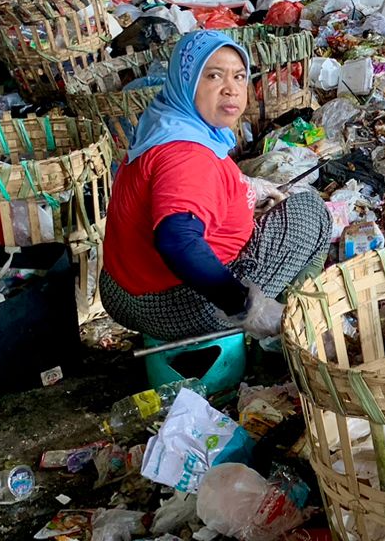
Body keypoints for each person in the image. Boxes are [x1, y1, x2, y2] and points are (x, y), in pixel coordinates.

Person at [100, 30, 334, 342]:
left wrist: (246, 189)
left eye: (239, 77)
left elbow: (182, 192)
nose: (231, 90)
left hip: (123, 289)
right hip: (174, 305)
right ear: (187, 82)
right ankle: (296, 328)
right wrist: (246, 307)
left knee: (278, 202)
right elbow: (177, 241)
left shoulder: (167, 122)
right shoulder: (187, 155)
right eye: (213, 76)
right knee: (311, 211)